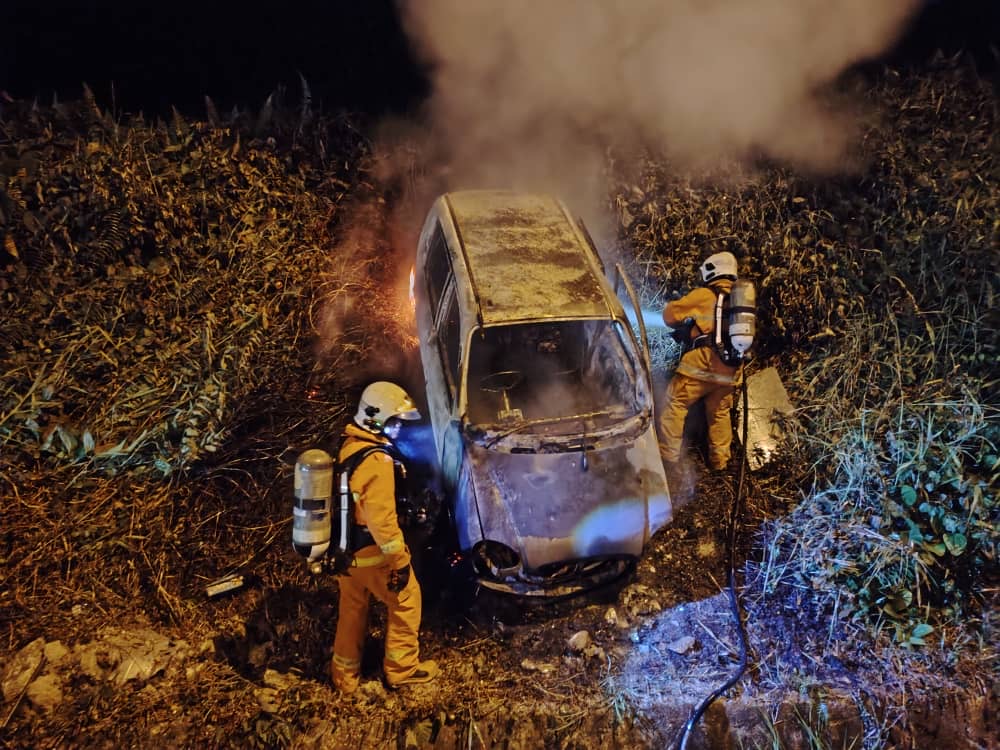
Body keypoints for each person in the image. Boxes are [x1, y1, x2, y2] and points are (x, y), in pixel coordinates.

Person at [330, 381, 439, 694]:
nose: (398, 429)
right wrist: (400, 562)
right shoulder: (377, 461)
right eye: (394, 421)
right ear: (376, 419)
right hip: (371, 554)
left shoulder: (349, 446)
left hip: (345, 554)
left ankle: (344, 678)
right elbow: (382, 523)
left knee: (352, 610)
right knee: (407, 599)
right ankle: (402, 670)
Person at [659, 250, 743, 476]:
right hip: (730, 370)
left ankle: (668, 458)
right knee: (719, 413)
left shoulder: (704, 295)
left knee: (675, 403)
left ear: (712, 270)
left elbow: (669, 316)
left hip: (702, 366)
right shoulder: (740, 298)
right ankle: (720, 463)